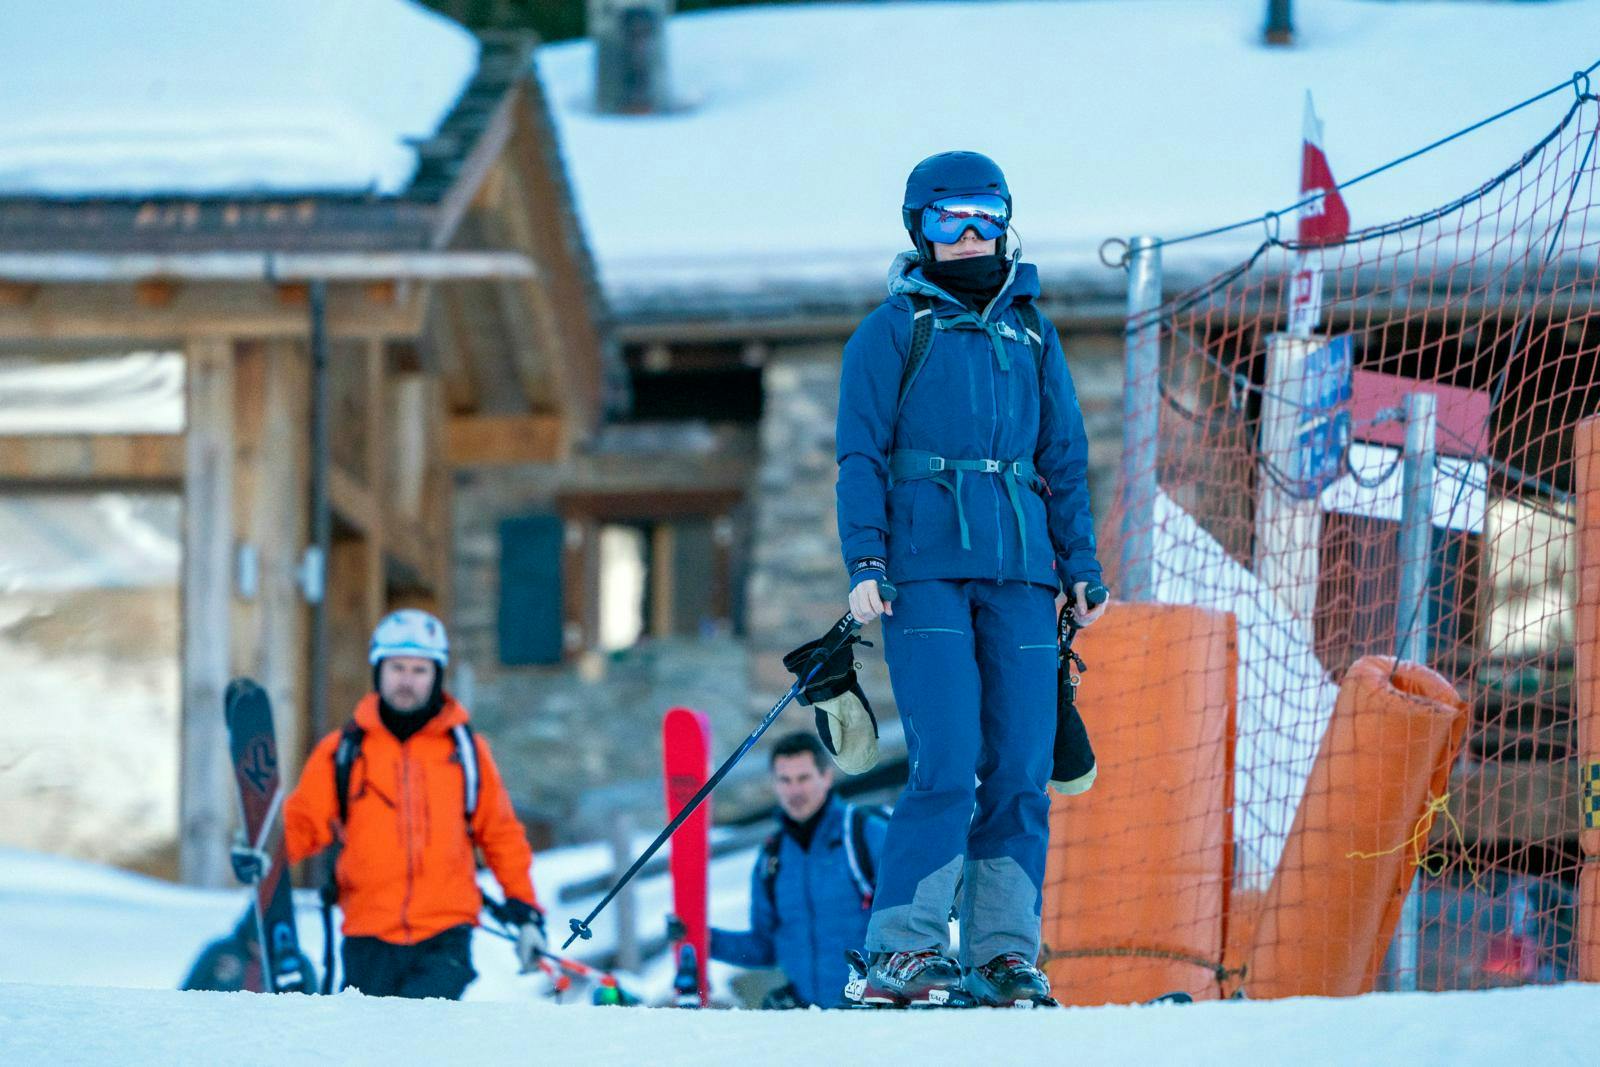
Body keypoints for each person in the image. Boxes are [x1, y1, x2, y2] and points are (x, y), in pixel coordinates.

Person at [833, 151, 1108, 1007]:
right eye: (949, 217)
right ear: (919, 227)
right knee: (948, 759)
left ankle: (1001, 952)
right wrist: (865, 562)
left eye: (985, 214)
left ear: (1005, 219)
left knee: (1024, 764)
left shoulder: (1032, 330)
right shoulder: (892, 330)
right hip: (922, 573)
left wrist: (1080, 567)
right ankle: (906, 948)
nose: (969, 234)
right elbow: (859, 453)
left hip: (1024, 573)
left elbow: (1063, 452)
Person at [231, 609, 544, 999]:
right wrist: (259, 847)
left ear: (437, 676)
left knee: (419, 1044)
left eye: (420, 670)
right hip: (367, 935)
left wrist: (527, 912)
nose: (407, 681)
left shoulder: (467, 753)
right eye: (397, 668)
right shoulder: (344, 750)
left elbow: (501, 836)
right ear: (378, 670)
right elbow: (304, 823)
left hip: (444, 936)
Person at [702, 731, 886, 1008]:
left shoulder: (864, 834)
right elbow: (765, 948)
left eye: (804, 778)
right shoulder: (772, 857)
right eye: (784, 780)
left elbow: (911, 911)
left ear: (826, 777)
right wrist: (705, 940)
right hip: (808, 1019)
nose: (794, 791)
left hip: (873, 1013)